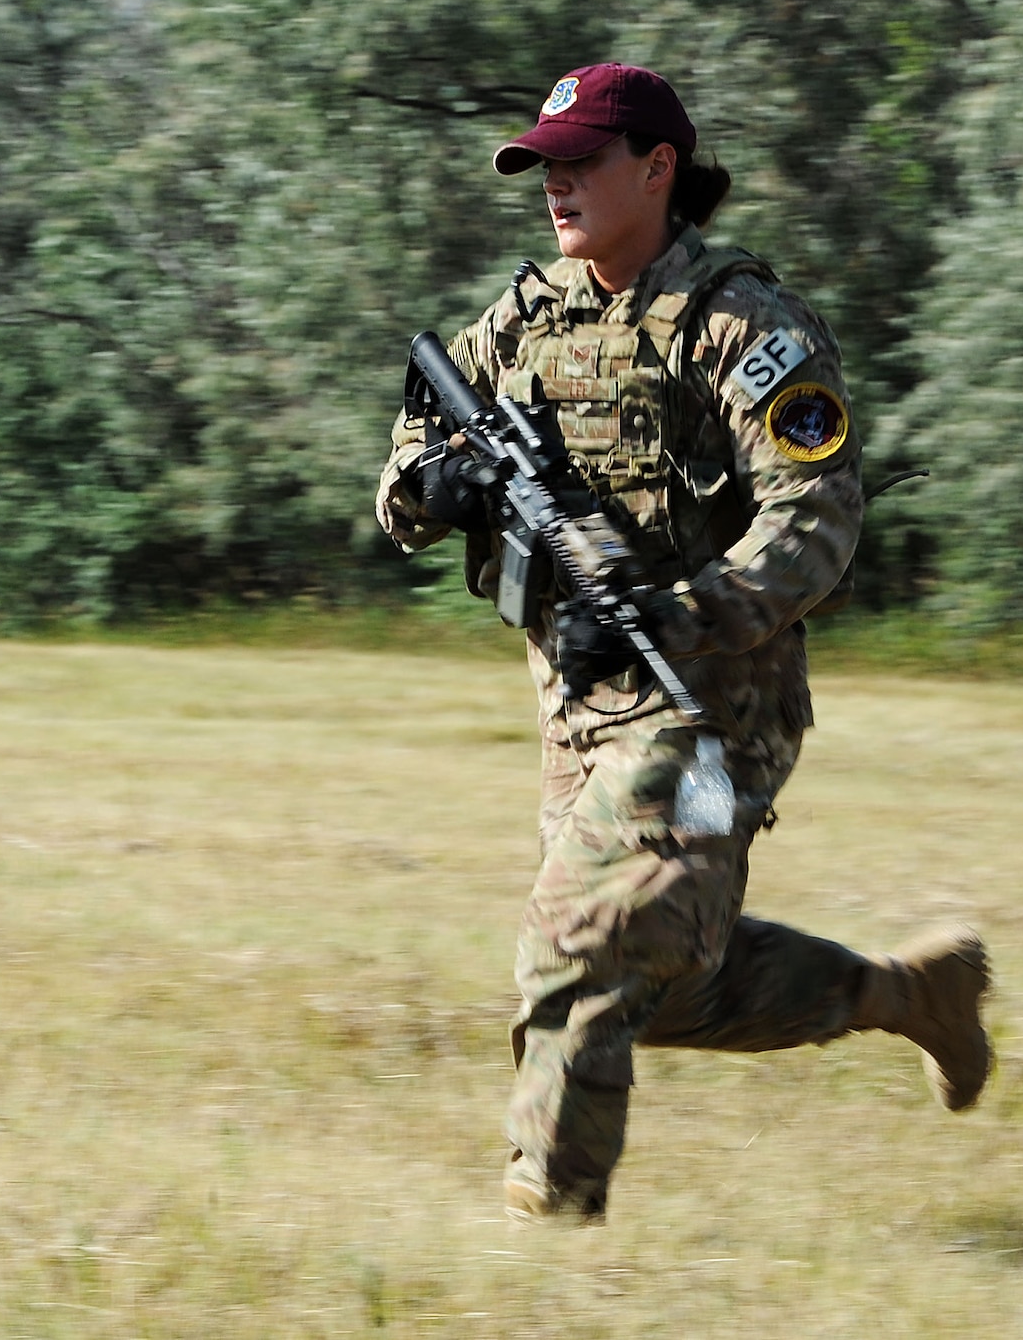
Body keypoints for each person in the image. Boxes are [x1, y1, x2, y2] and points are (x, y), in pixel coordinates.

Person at [375, 63, 991, 1225]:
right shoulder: (522, 316)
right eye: (544, 166)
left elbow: (816, 521)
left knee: (582, 943)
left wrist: (685, 611)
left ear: (658, 169)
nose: (556, 184)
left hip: (708, 724)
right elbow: (398, 477)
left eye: (582, 161)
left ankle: (547, 1229)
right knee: (663, 981)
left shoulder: (740, 321)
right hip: (577, 715)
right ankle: (905, 995)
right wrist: (438, 486)